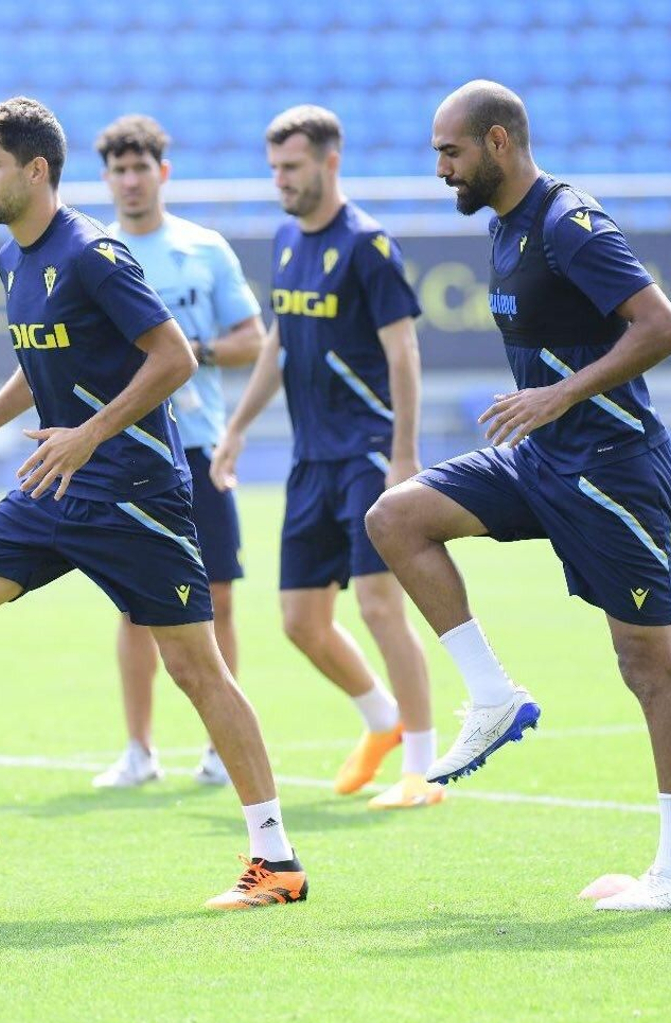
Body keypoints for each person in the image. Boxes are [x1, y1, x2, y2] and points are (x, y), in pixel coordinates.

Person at [0, 97, 306, 909]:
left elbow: (173, 359)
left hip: (131, 493)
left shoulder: (94, 253)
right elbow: (37, 361)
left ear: (36, 171)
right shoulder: (14, 259)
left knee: (195, 671)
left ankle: (274, 859)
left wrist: (91, 434)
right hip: (55, 487)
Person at [365, 81, 671, 911]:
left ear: (497, 143)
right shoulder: (506, 226)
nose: (441, 169)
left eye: (450, 152)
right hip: (542, 460)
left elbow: (663, 326)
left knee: (648, 666)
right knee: (396, 516)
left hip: (613, 469)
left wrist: (559, 395)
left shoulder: (567, 224)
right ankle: (491, 694)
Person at [211, 105, 438, 810]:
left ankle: (423, 769)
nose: (280, 179)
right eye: (274, 167)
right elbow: (277, 343)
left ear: (329, 162)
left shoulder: (368, 245)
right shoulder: (285, 240)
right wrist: (239, 426)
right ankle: (381, 722)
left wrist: (404, 454)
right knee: (301, 621)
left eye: (292, 167)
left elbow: (404, 352)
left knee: (378, 605)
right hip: (311, 461)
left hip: (367, 453)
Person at [89, 114, 264, 790]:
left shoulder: (203, 248)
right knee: (134, 604)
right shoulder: (96, 252)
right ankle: (139, 749)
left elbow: (254, 337)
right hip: (130, 447)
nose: (131, 181)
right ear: (105, 180)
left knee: (217, 597)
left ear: (163, 173)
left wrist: (190, 355)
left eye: (142, 169)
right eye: (119, 171)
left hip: (199, 446)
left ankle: (222, 747)